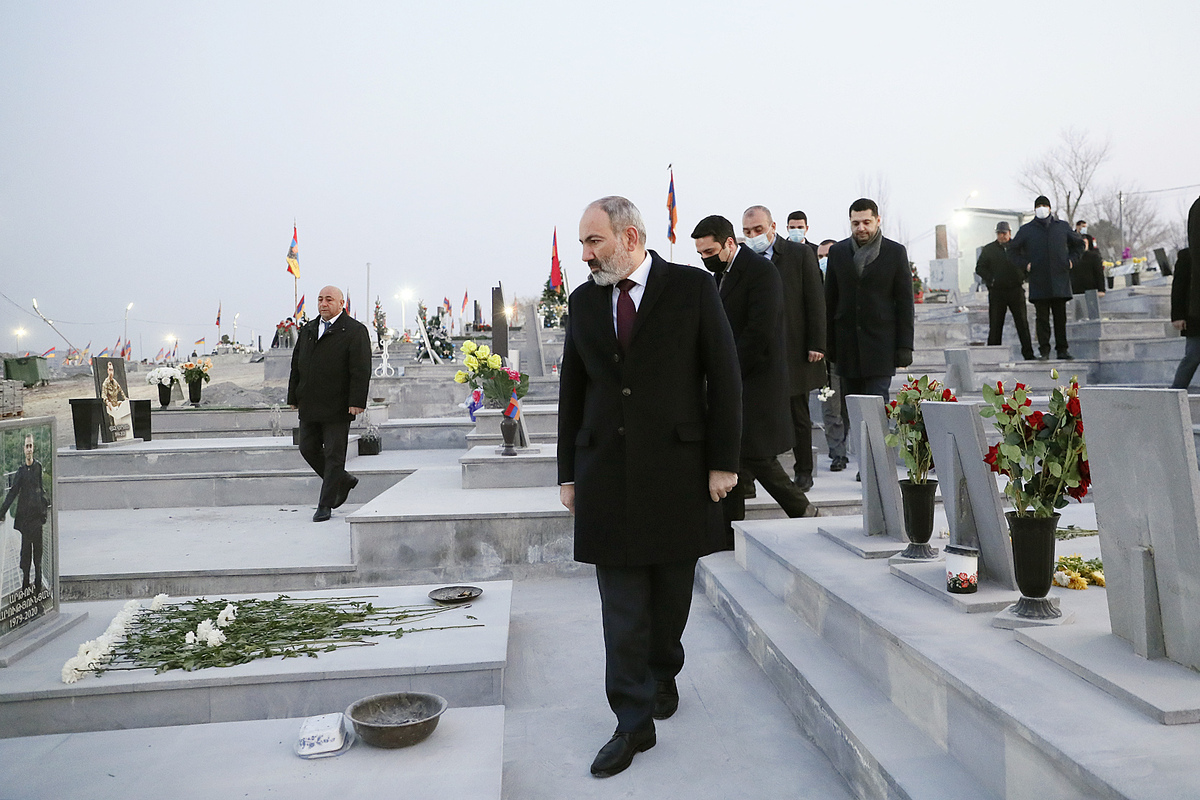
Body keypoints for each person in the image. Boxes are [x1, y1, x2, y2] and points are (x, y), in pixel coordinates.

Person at [558, 196, 741, 778]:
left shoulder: (692, 289)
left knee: (669, 599)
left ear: (630, 238)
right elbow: (573, 389)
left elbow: (725, 376)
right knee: (621, 607)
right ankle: (632, 722)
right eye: (583, 243)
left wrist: (723, 463)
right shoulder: (584, 301)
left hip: (678, 472)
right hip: (605, 473)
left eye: (594, 242)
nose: (585, 255)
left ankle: (664, 669)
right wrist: (567, 471)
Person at [694, 213, 815, 524]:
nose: (706, 259)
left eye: (710, 252)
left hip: (757, 377)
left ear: (729, 243)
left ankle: (801, 508)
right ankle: (730, 527)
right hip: (736, 377)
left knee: (755, 453)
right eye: (701, 254)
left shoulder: (760, 271)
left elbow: (759, 331)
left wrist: (728, 370)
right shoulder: (720, 275)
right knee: (735, 454)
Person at [742, 205, 826, 491]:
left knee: (797, 414)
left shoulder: (798, 254)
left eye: (758, 229)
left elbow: (815, 300)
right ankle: (749, 477)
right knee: (754, 416)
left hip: (793, 348)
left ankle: (804, 471)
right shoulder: (744, 259)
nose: (753, 236)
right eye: (747, 231)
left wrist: (816, 343)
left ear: (773, 226)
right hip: (758, 351)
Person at [287, 285, 372, 522]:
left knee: (334, 455)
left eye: (329, 299)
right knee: (307, 448)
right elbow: (297, 364)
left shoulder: (354, 330)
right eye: (320, 299)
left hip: (338, 404)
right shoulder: (308, 329)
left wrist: (357, 400)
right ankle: (342, 480)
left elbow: (361, 369)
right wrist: (293, 396)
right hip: (310, 402)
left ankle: (325, 504)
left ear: (341, 303)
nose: (323, 304)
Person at [825, 198, 915, 403]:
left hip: (881, 346)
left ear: (877, 220)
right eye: (856, 223)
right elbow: (830, 300)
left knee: (877, 405)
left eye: (866, 222)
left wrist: (905, 346)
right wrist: (828, 344)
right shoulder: (838, 252)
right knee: (851, 406)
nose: (861, 228)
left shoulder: (895, 252)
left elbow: (904, 303)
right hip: (847, 347)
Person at [1007, 196, 1084, 360]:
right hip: (1039, 281)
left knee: (1060, 318)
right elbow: (1012, 251)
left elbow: (1079, 244)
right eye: (1039, 206)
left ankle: (1062, 350)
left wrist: (1071, 261)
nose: (1042, 208)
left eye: (1044, 205)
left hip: (1059, 279)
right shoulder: (1027, 230)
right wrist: (1025, 264)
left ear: (1050, 208)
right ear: (1035, 209)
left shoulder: (1061, 227)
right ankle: (1044, 350)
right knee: (1042, 319)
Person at [975, 221, 1036, 360]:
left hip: (1016, 289)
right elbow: (980, 268)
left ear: (1009, 233)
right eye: (999, 233)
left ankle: (1028, 354)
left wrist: (1023, 277)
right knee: (995, 324)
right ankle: (993, 355)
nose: (1001, 236)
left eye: (1004, 233)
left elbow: (1028, 264)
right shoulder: (989, 249)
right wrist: (991, 280)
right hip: (997, 291)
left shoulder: (1018, 248)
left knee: (1022, 323)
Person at [814, 238, 847, 471]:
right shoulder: (813, 282)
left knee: (846, 408)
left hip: (849, 353)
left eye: (828, 256)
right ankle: (838, 453)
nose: (824, 260)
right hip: (826, 356)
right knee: (830, 406)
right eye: (820, 256)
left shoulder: (845, 280)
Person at [1, 434, 49, 590]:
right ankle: (25, 583)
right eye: (27, 446)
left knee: (38, 554)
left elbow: (41, 489)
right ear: (24, 449)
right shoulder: (21, 471)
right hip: (26, 521)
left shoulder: (38, 467)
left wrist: (44, 511)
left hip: (37, 519)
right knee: (26, 553)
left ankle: (38, 584)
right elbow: (13, 492)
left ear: (33, 448)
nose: (29, 449)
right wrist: (2, 512)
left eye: (31, 446)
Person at [1171, 246, 1198, 389]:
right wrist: (1177, 315)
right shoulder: (1187, 256)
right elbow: (1179, 287)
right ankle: (1176, 391)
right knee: (1193, 356)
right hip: (1195, 316)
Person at [1071, 220, 1107, 297]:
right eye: (1083, 226)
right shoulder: (1072, 237)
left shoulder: (1090, 238)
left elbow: (1099, 274)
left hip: (1090, 277)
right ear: (1078, 226)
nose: (1084, 228)